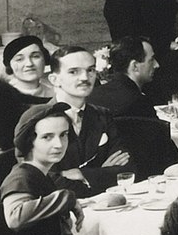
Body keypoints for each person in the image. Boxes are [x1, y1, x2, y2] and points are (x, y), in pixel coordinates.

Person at [0, 103, 134, 235]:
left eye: (64, 135)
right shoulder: (21, 176)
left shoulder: (41, 176)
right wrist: (66, 196)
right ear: (28, 141)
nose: (59, 144)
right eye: (47, 137)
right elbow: (14, 217)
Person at [0, 35, 55, 158]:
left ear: (45, 59)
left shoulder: (55, 93)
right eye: (19, 59)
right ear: (10, 66)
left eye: (35, 56)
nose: (29, 64)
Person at [46, 46, 130, 178]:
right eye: (73, 72)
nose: (85, 78)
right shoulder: (40, 119)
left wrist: (80, 174)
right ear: (54, 79)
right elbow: (46, 181)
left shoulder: (103, 115)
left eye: (90, 70)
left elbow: (126, 170)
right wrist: (101, 172)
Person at [95, 36, 158, 119]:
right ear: (135, 66)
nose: (156, 65)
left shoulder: (92, 96)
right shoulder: (139, 103)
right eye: (151, 60)